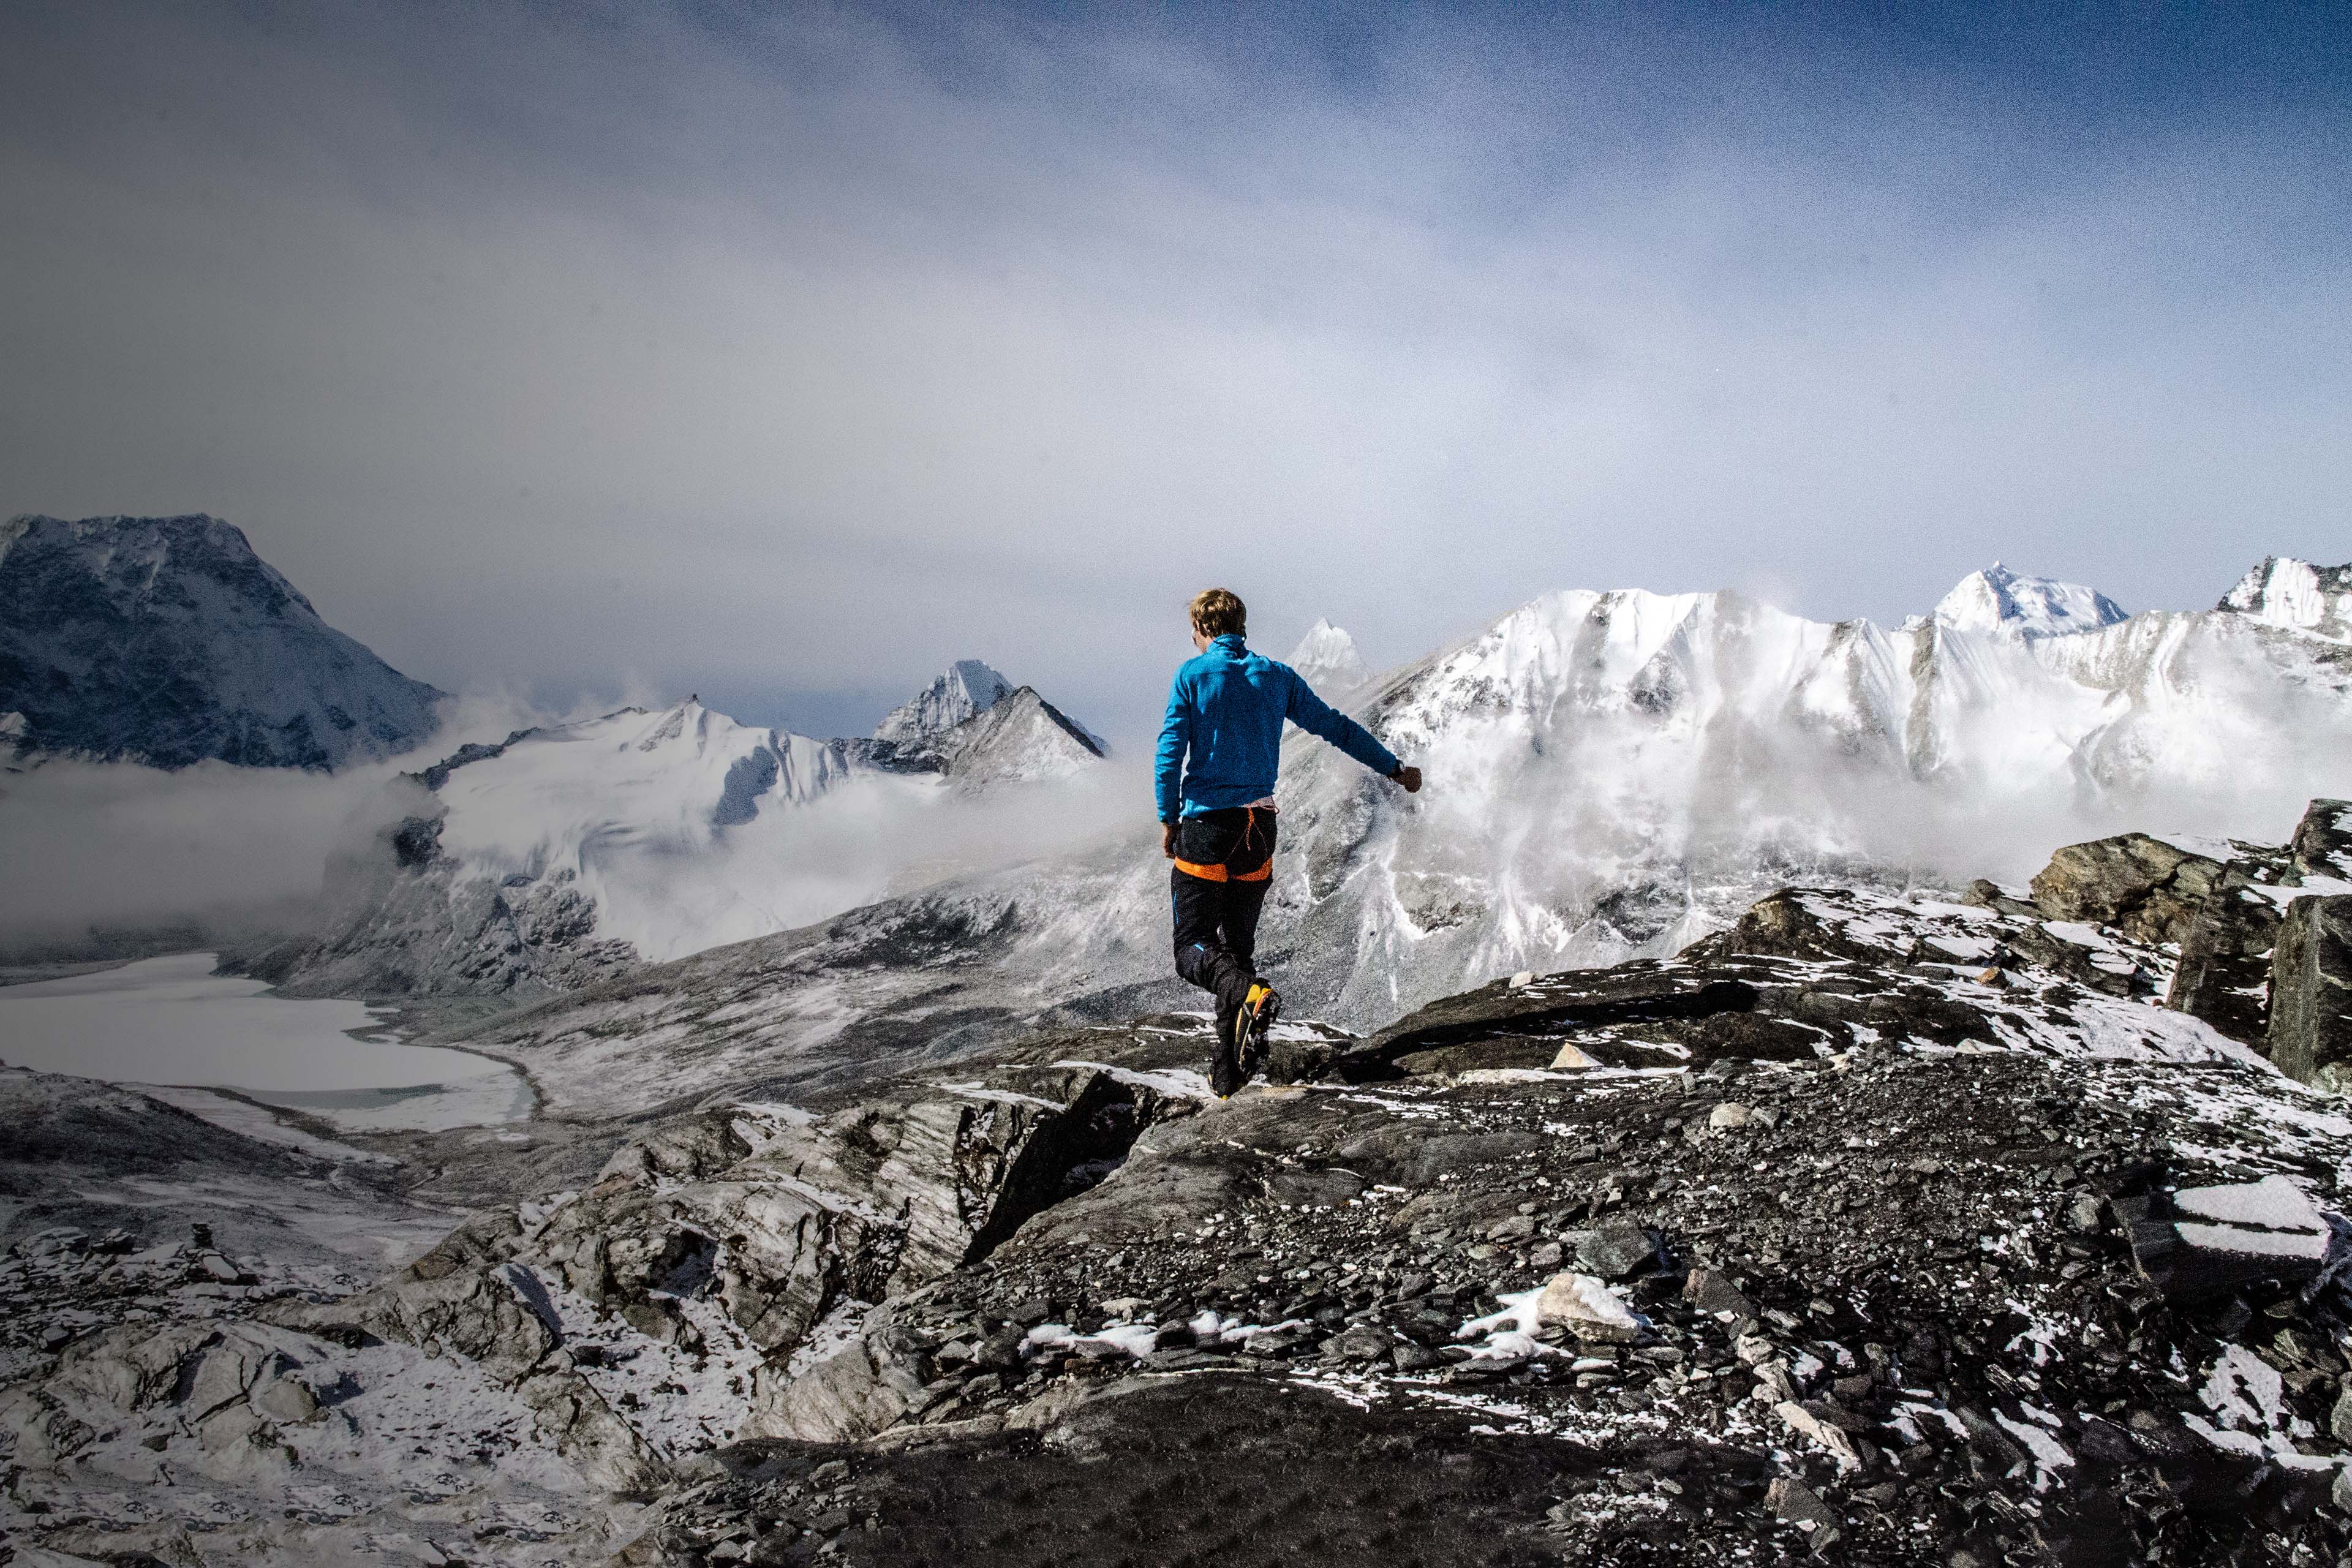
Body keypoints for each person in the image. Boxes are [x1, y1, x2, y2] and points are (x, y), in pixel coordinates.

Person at [1155, 587, 1422, 1096]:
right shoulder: (1276, 677)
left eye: (1193, 631)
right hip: (1259, 830)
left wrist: (1169, 821)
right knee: (1238, 950)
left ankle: (1251, 998)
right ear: (1242, 627)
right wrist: (1394, 768)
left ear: (1202, 631)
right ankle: (1229, 1073)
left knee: (1193, 949)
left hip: (1208, 830)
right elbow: (1337, 728)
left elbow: (1170, 752)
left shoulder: (1191, 676)